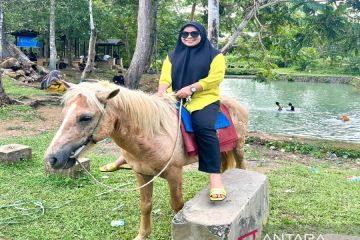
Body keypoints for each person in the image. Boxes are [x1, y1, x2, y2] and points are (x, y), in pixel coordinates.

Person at [100, 21, 227, 201]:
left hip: (203, 99)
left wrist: (192, 89)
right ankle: (125, 158)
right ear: (180, 36)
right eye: (185, 34)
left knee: (204, 127)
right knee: (142, 122)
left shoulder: (215, 56)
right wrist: (160, 96)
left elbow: (215, 78)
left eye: (194, 34)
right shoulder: (172, 56)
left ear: (202, 35)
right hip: (173, 98)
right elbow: (165, 78)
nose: (189, 37)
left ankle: (215, 178)